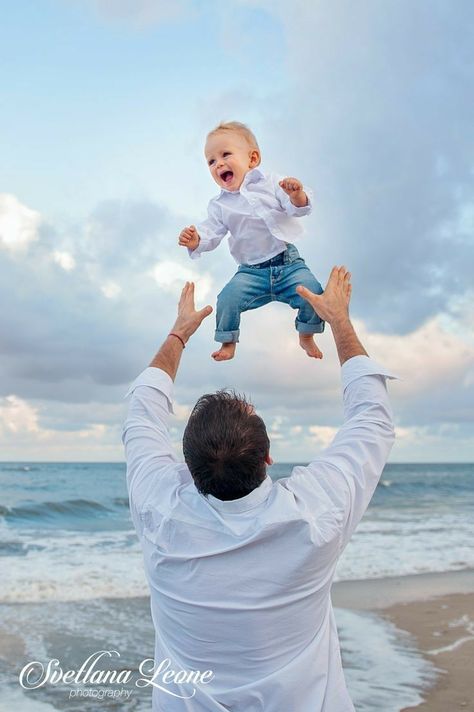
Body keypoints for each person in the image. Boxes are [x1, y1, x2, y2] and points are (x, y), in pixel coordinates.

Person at [122, 267, 396, 711]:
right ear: (268, 458)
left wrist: (178, 333)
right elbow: (372, 420)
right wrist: (339, 321)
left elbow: (141, 412)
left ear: (186, 468)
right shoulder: (314, 514)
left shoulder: (159, 512)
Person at [178, 121, 325, 362]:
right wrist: (196, 240)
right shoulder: (219, 205)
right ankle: (228, 341)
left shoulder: (271, 183)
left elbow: (295, 209)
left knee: (315, 293)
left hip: (288, 264)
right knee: (226, 299)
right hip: (250, 273)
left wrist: (296, 195)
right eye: (211, 161)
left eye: (226, 154)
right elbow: (211, 232)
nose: (219, 164)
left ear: (253, 158)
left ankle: (307, 333)